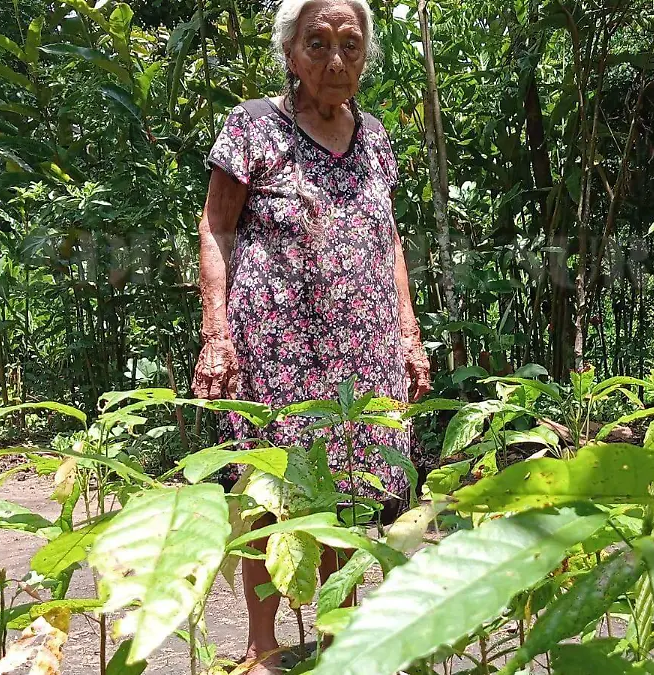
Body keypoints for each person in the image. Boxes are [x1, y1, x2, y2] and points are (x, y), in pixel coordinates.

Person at [191, 0, 432, 670]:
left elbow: (389, 240)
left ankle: (338, 637)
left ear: (366, 56)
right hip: (276, 349)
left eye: (350, 45)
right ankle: (262, 648)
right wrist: (216, 333)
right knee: (270, 491)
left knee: (355, 490)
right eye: (318, 43)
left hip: (364, 348)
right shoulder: (254, 127)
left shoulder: (376, 136)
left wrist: (409, 335)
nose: (335, 60)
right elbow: (216, 225)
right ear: (290, 51)